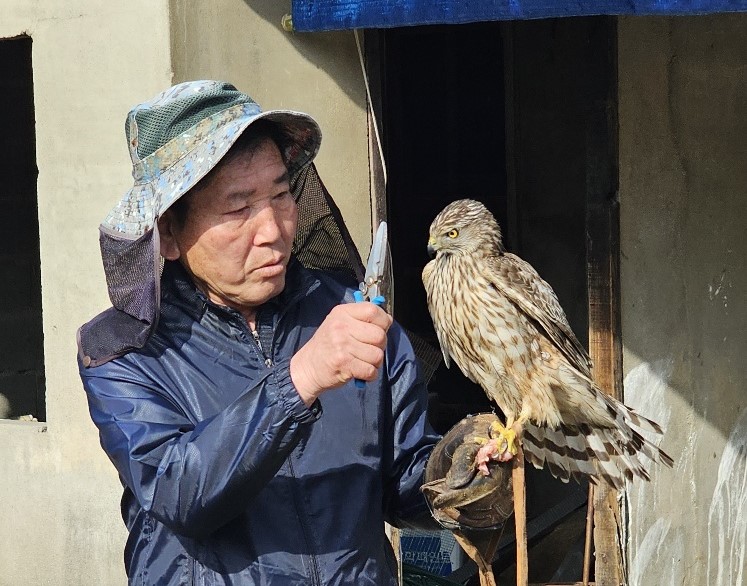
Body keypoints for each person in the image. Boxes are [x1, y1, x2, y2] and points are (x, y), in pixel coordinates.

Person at [77, 80, 439, 585]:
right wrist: (301, 380)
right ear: (169, 234)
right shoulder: (123, 354)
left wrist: (464, 470)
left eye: (281, 194)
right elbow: (178, 491)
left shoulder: (350, 315)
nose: (272, 228)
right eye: (237, 208)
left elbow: (407, 488)